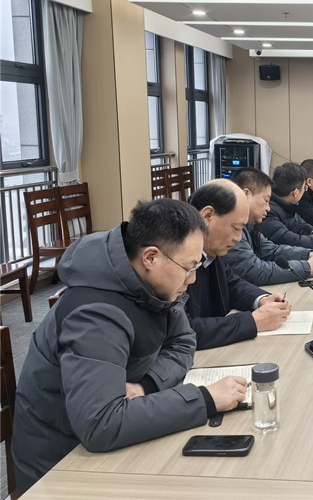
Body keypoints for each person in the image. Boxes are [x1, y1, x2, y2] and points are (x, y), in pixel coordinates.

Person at [12, 199, 248, 494]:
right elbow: (101, 424)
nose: (193, 278)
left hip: (104, 437)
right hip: (60, 466)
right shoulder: (95, 313)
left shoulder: (151, 285)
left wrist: (147, 384)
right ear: (151, 257)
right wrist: (205, 399)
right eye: (188, 268)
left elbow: (183, 341)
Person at [185, 178, 292, 350]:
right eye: (236, 228)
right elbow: (183, 330)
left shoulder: (211, 251)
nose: (238, 238)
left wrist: (262, 299)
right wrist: (252, 322)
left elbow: (231, 283)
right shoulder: (176, 259)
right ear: (207, 216)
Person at [223, 169, 313, 285]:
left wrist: (308, 254)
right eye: (266, 200)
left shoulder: (249, 225)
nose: (268, 208)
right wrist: (307, 267)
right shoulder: (232, 228)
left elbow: (271, 251)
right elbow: (255, 271)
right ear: (246, 195)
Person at [261, 161, 313, 249]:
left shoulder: (288, 205)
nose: (305, 191)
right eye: (304, 188)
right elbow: (290, 240)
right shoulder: (269, 211)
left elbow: (301, 227)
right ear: (295, 193)